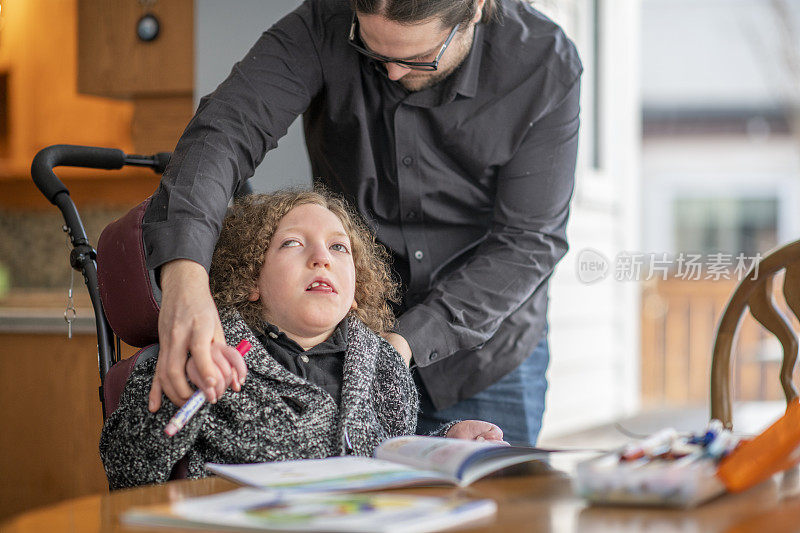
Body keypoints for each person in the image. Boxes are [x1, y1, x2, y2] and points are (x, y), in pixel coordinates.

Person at [143, 0, 582, 445]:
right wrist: (184, 278)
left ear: (474, 11)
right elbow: (223, 135)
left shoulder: (542, 63)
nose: (390, 73)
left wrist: (403, 341)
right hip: (346, 350)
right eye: (372, 51)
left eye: (415, 58)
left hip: (482, 357)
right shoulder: (325, 22)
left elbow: (528, 241)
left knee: (487, 507)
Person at [100, 190, 504, 490]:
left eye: (338, 247)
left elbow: (392, 454)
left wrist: (446, 444)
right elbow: (127, 471)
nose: (321, 258)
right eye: (293, 243)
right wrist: (182, 390)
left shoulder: (382, 364)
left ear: (356, 287)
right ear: (250, 278)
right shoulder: (201, 355)